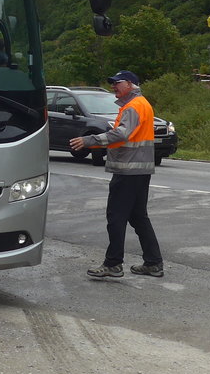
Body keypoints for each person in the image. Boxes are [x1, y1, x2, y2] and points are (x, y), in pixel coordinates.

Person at [70, 70, 164, 280]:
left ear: (130, 84)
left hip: (128, 170)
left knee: (116, 217)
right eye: (112, 83)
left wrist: (89, 141)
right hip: (139, 169)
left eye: (117, 83)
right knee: (138, 217)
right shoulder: (140, 104)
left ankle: (113, 264)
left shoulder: (133, 106)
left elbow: (121, 134)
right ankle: (153, 263)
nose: (113, 86)